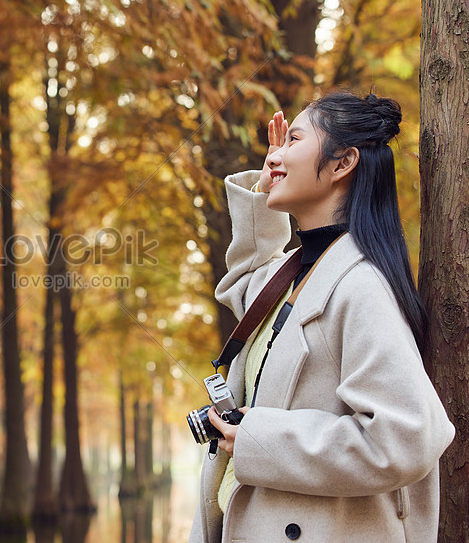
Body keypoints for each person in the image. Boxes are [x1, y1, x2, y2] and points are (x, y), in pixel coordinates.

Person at [189, 92, 455, 543]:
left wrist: (258, 438)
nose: (276, 154)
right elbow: (245, 279)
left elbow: (405, 437)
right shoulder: (293, 272)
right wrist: (270, 178)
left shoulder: (362, 286)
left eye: (294, 139)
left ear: (340, 164)